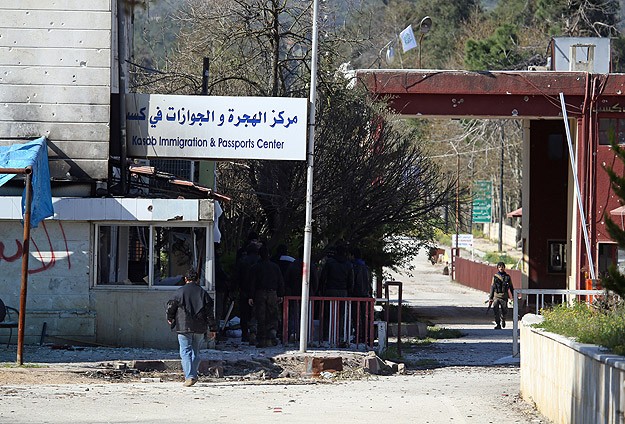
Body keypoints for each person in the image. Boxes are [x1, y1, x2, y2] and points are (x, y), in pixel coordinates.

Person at [166, 268, 216, 387]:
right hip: (200, 326)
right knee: (195, 352)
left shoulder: (179, 292)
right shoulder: (203, 293)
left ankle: (190, 376)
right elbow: (210, 313)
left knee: (185, 351)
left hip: (183, 325)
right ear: (198, 280)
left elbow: (171, 306)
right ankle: (193, 374)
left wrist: (170, 317)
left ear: (185, 279)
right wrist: (213, 328)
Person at [248, 245, 285, 348]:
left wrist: (251, 296)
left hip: (259, 293)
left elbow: (252, 283)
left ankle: (261, 339)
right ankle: (271, 336)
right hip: (272, 293)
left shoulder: (255, 267)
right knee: (272, 315)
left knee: (260, 316)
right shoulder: (275, 267)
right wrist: (280, 294)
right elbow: (280, 281)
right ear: (269, 255)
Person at [234, 241, 261, 344]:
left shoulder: (242, 261)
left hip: (244, 290)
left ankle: (245, 334)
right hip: (258, 291)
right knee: (256, 313)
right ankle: (255, 333)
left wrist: (234, 289)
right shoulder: (260, 261)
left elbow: (237, 276)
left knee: (244, 314)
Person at [489, 262, 514, 329]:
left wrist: (513, 296)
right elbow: (492, 287)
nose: (501, 268)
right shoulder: (495, 277)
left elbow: (511, 287)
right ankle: (498, 324)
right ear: (497, 268)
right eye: (499, 267)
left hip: (504, 297)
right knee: (496, 311)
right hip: (496, 296)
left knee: (504, 310)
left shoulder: (507, 277)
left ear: (504, 268)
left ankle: (503, 319)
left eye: (502, 267)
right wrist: (491, 298)